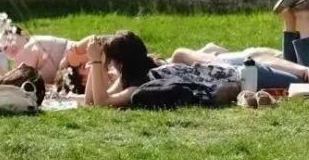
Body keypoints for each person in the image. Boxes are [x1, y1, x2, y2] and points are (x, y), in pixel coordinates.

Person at [169, 0, 309, 92]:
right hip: (241, 70)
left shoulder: (166, 67)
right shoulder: (167, 68)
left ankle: (300, 17)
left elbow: (180, 55)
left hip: (236, 68)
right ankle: (295, 17)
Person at [83, 31, 240, 108]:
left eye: (111, 62)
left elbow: (101, 103)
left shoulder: (141, 85)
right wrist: (94, 60)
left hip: (232, 77)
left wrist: (96, 61)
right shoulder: (134, 74)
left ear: (121, 63)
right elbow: (91, 100)